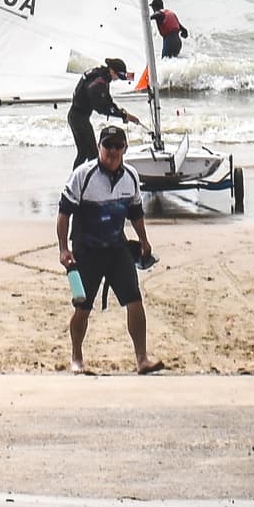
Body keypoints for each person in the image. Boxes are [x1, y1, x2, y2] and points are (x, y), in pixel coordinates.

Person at [58, 123, 160, 375]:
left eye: (118, 146)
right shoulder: (83, 175)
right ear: (98, 147)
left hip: (117, 249)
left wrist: (144, 240)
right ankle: (77, 359)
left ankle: (142, 359)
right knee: (82, 308)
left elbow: (135, 212)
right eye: (107, 146)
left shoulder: (131, 177)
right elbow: (63, 214)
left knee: (134, 301)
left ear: (125, 148)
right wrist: (63, 249)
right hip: (87, 251)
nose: (112, 151)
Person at [68, 58, 140, 165]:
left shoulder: (103, 77)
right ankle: (84, 179)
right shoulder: (99, 81)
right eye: (118, 75)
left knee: (83, 153)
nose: (118, 78)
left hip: (78, 116)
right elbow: (100, 107)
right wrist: (122, 115)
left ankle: (77, 179)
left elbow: (108, 101)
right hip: (78, 117)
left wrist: (122, 114)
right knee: (92, 153)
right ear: (112, 70)